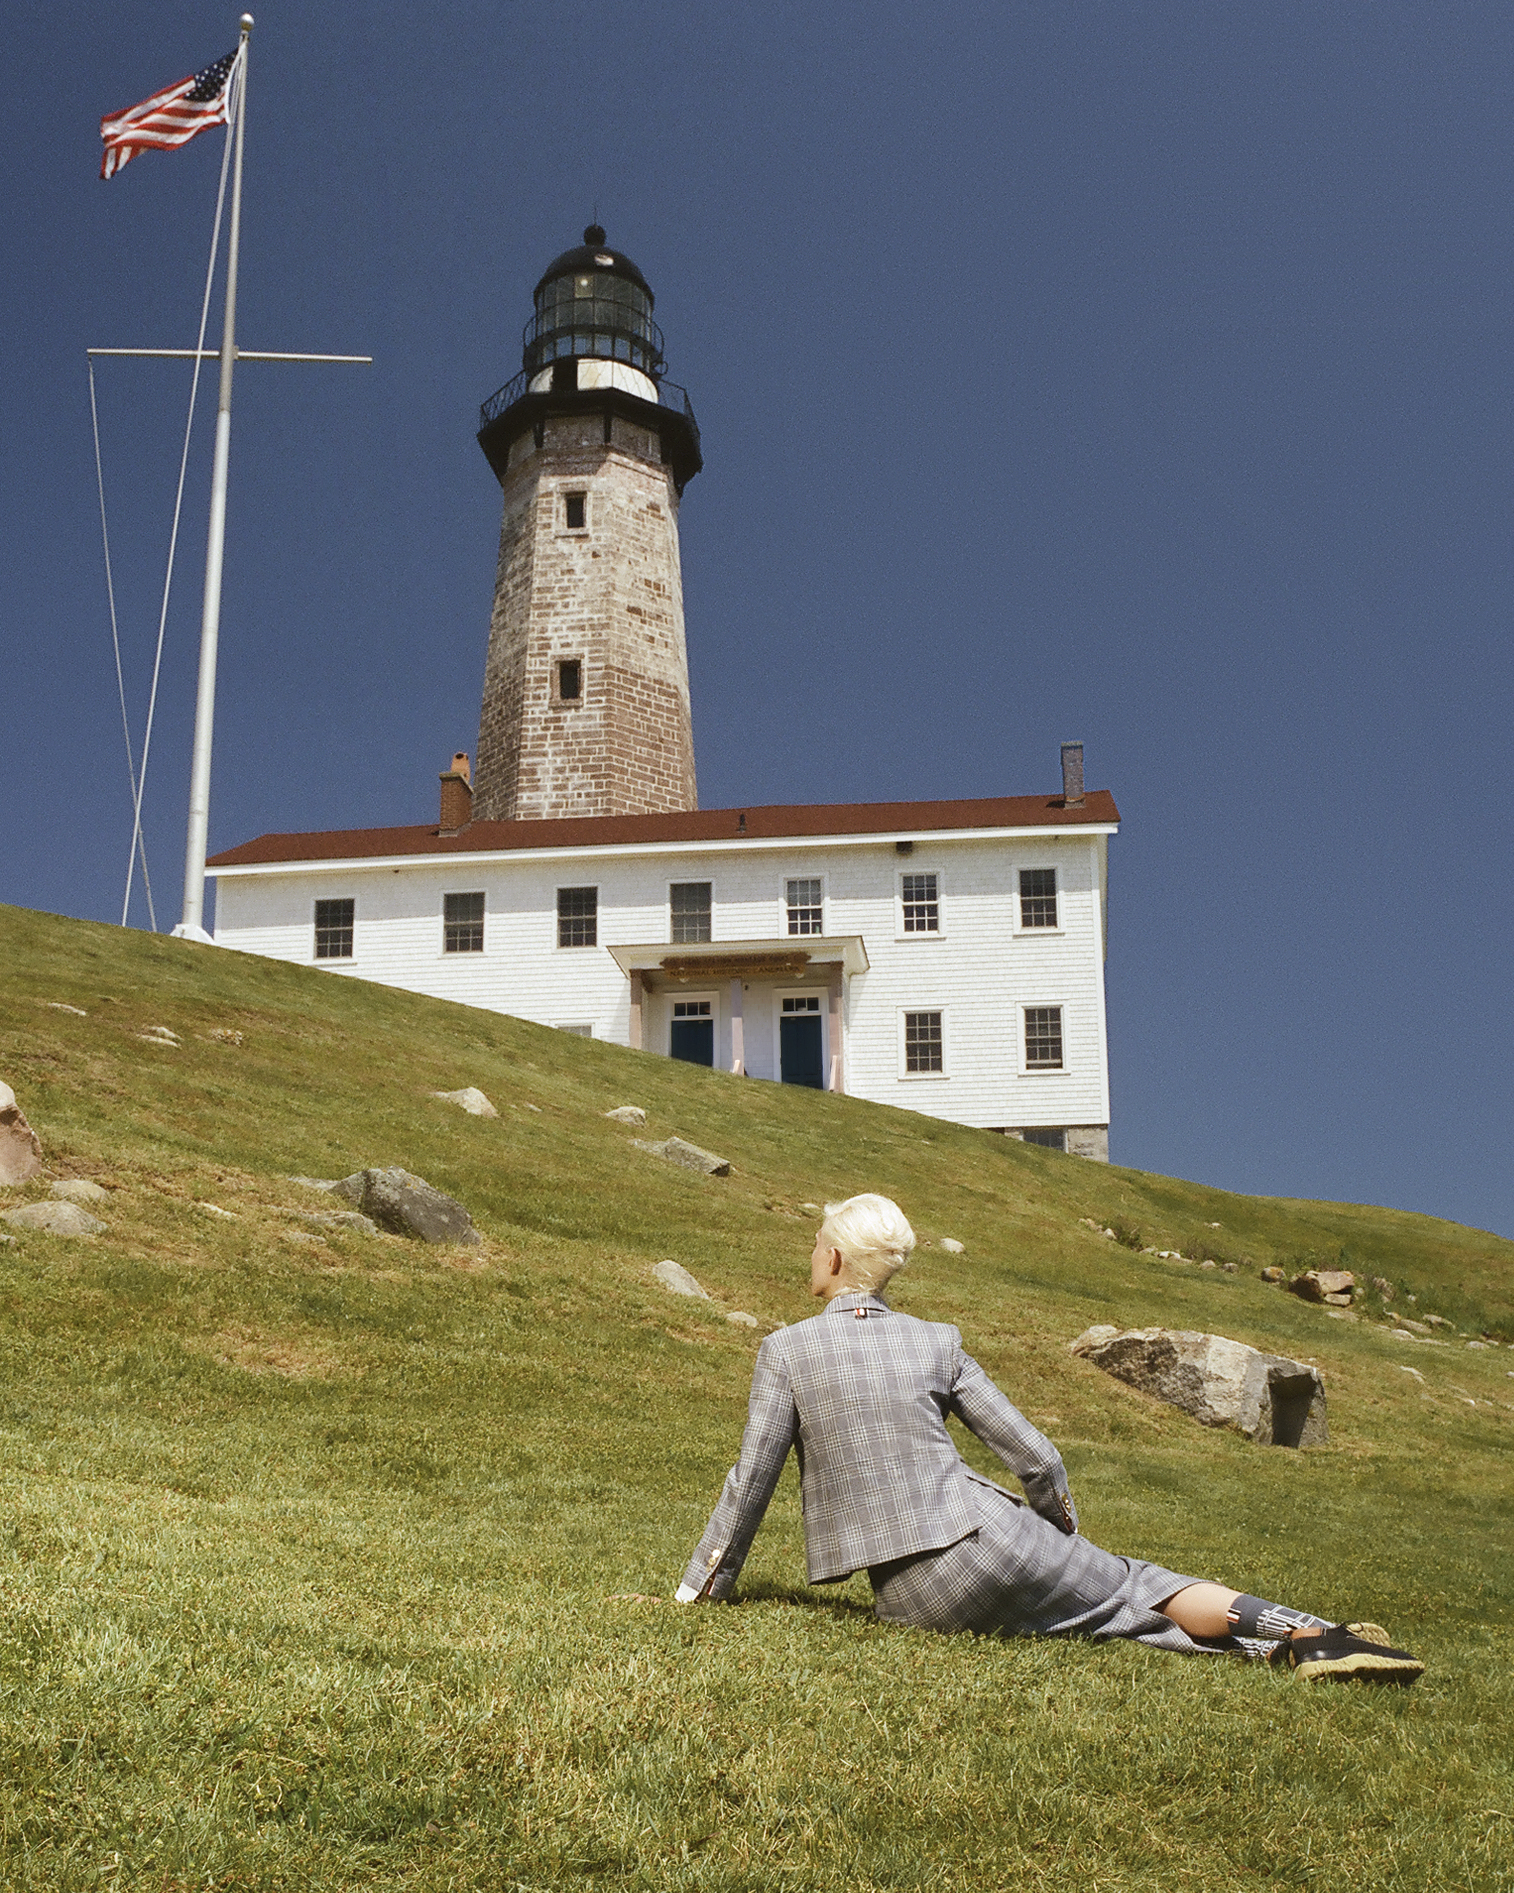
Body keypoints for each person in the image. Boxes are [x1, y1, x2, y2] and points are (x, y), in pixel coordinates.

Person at [675, 1193, 1422, 1684]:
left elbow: (751, 1481)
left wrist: (697, 1591)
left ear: (834, 1259)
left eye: (815, 1245)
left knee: (1113, 1622)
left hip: (908, 1596)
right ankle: (1313, 1634)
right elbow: (1034, 1453)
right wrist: (1060, 1527)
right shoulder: (936, 1340)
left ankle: (1296, 1646)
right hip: (985, 1537)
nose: (811, 1256)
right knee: (1130, 1583)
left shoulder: (787, 1349)